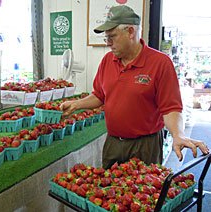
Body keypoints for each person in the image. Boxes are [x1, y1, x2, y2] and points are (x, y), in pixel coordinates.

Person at [60, 5, 209, 169]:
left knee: (144, 189)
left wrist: (178, 134)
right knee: (108, 190)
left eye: (112, 37)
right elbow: (99, 95)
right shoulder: (107, 61)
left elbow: (171, 108)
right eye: (106, 38)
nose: (108, 43)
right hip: (113, 142)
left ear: (131, 32)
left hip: (145, 145)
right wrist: (76, 104)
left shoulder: (160, 63)